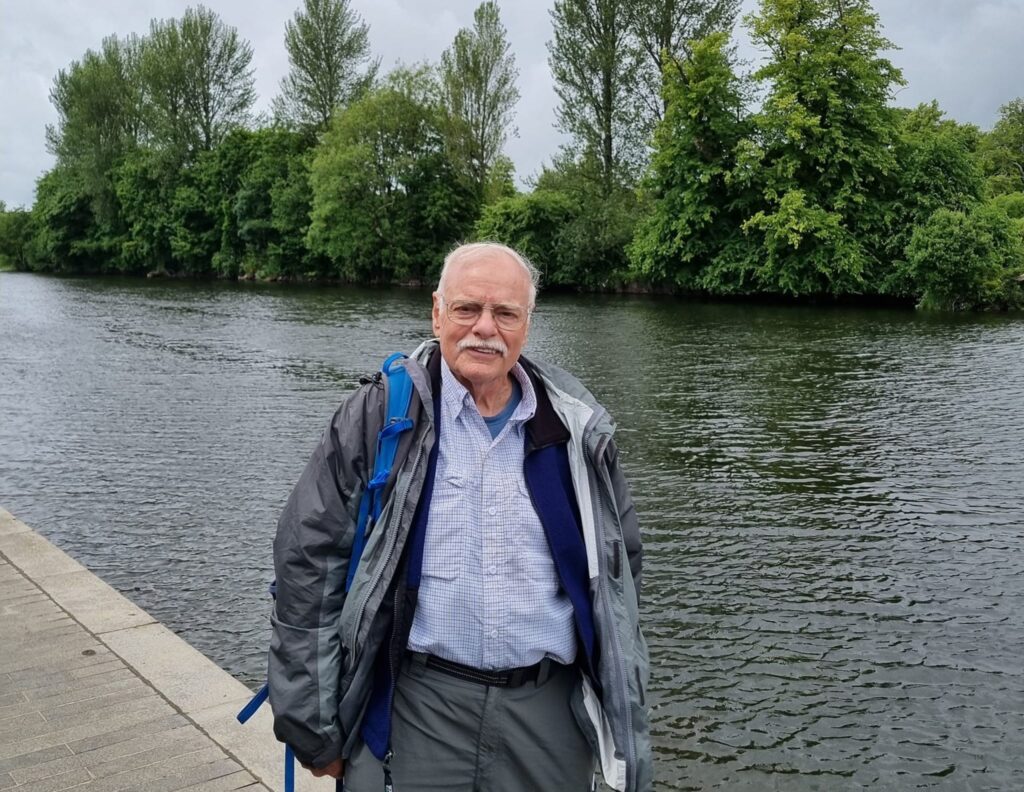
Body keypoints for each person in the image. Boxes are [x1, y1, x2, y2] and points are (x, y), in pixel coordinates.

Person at [268, 242, 651, 792]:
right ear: (437, 312)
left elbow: (621, 577)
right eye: (467, 309)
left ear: (527, 323)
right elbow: (310, 565)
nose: (484, 329)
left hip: (547, 712)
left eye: (505, 313)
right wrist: (312, 723)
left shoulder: (576, 431)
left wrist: (624, 712)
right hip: (412, 704)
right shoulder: (382, 417)